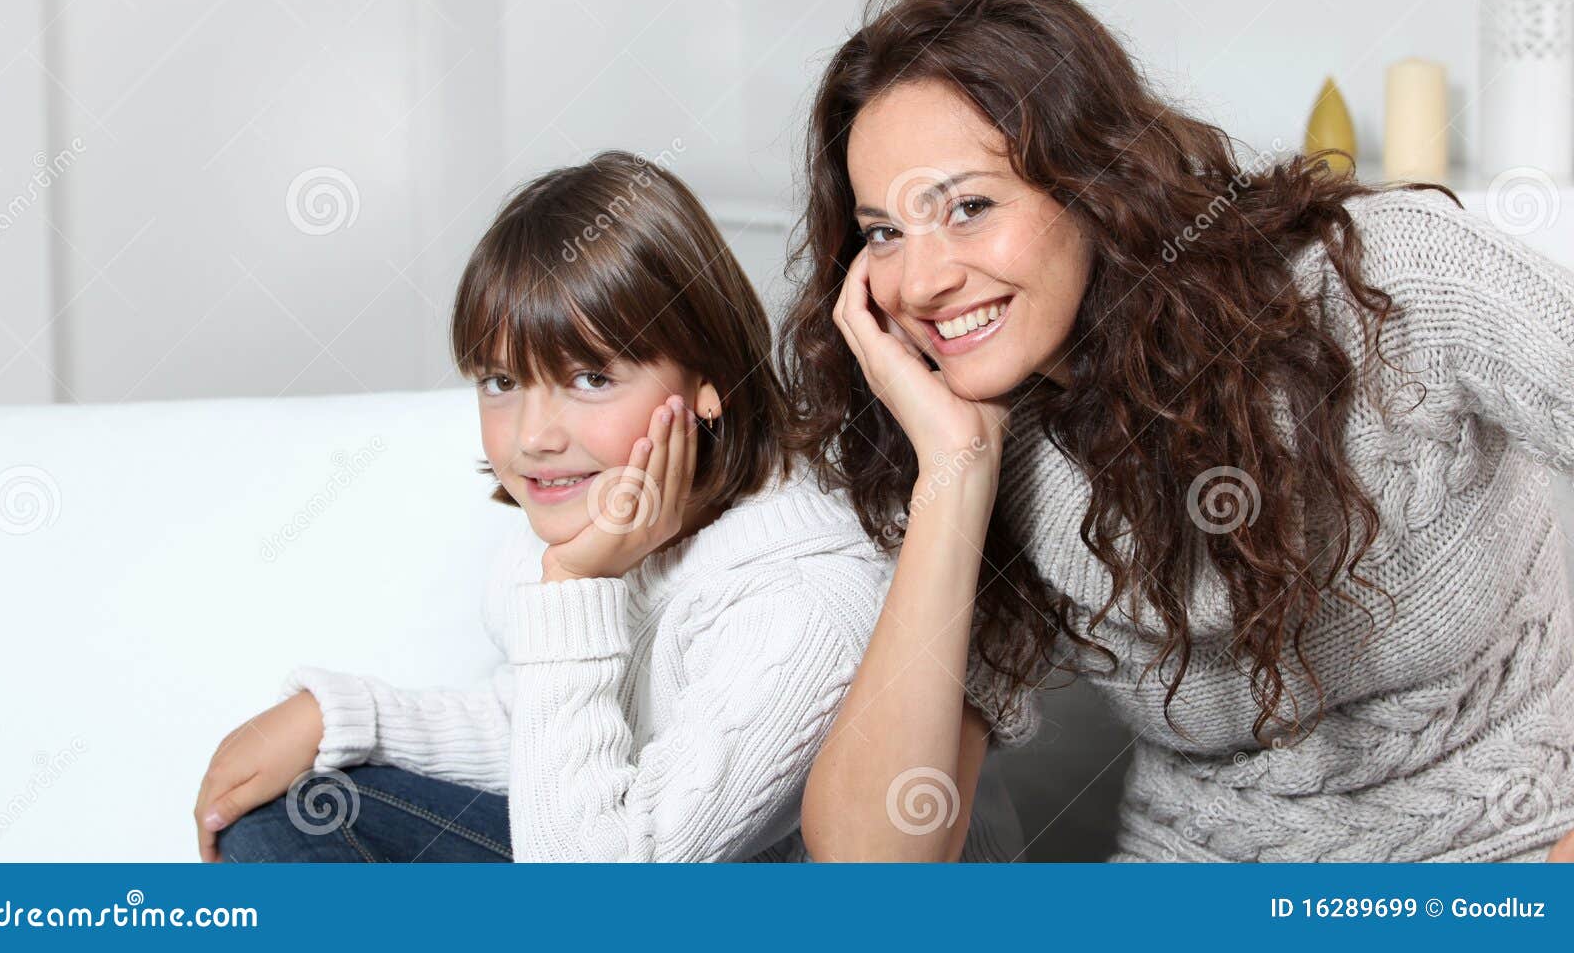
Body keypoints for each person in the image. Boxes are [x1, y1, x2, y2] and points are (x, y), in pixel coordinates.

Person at [785, 0, 1574, 862]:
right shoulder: (990, 433)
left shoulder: (1389, 287)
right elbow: (869, 871)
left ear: (1091, 183)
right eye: (885, 231)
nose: (921, 282)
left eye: (969, 207)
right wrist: (958, 471)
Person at [193, 150, 1020, 862]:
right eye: (502, 382)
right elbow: (551, 740)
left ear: (704, 384)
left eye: (592, 378)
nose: (536, 436)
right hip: (607, 853)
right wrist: (345, 716)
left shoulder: (802, 601)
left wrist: (579, 584)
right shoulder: (582, 533)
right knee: (289, 819)